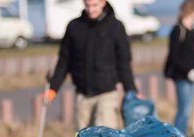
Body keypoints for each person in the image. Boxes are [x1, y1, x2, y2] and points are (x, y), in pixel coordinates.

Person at [44, 0, 138, 130]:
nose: (91, 9)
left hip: (107, 93)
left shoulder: (115, 27)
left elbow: (124, 63)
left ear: (103, 3)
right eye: (87, 5)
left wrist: (131, 90)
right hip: (83, 94)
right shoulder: (74, 26)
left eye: (95, 5)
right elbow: (64, 61)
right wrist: (53, 88)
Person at [163, 0, 194, 136]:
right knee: (184, 110)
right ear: (192, 10)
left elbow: (193, 55)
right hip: (181, 76)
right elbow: (174, 56)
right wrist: (188, 71)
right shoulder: (177, 30)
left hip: (191, 75)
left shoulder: (193, 31)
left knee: (187, 109)